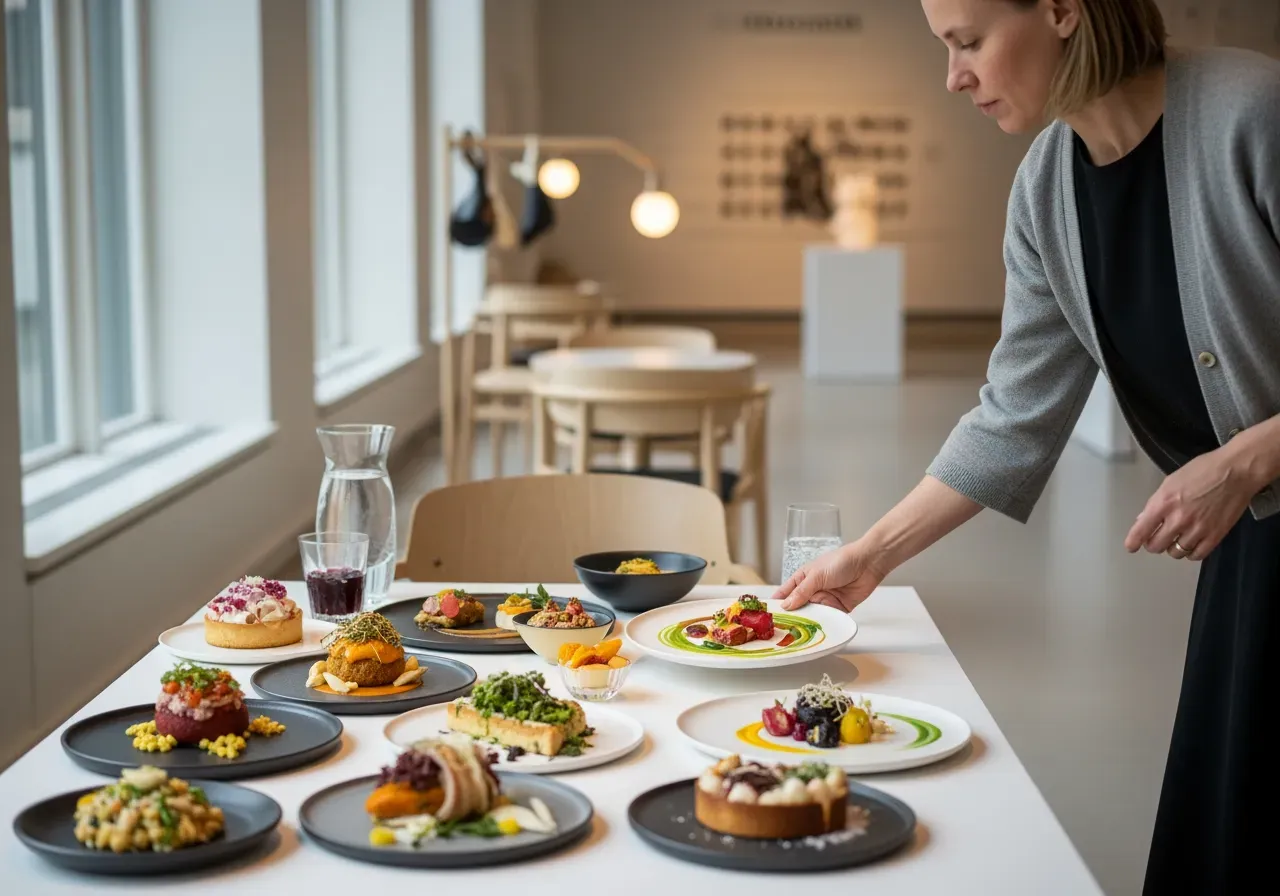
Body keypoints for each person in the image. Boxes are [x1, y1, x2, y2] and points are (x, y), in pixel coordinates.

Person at [773, 1, 1280, 892]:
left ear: (1060, 10)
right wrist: (870, 555)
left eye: (968, 42)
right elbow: (1013, 416)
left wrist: (1244, 461)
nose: (953, 76)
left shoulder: (1254, 113)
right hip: (1253, 553)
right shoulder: (1047, 189)